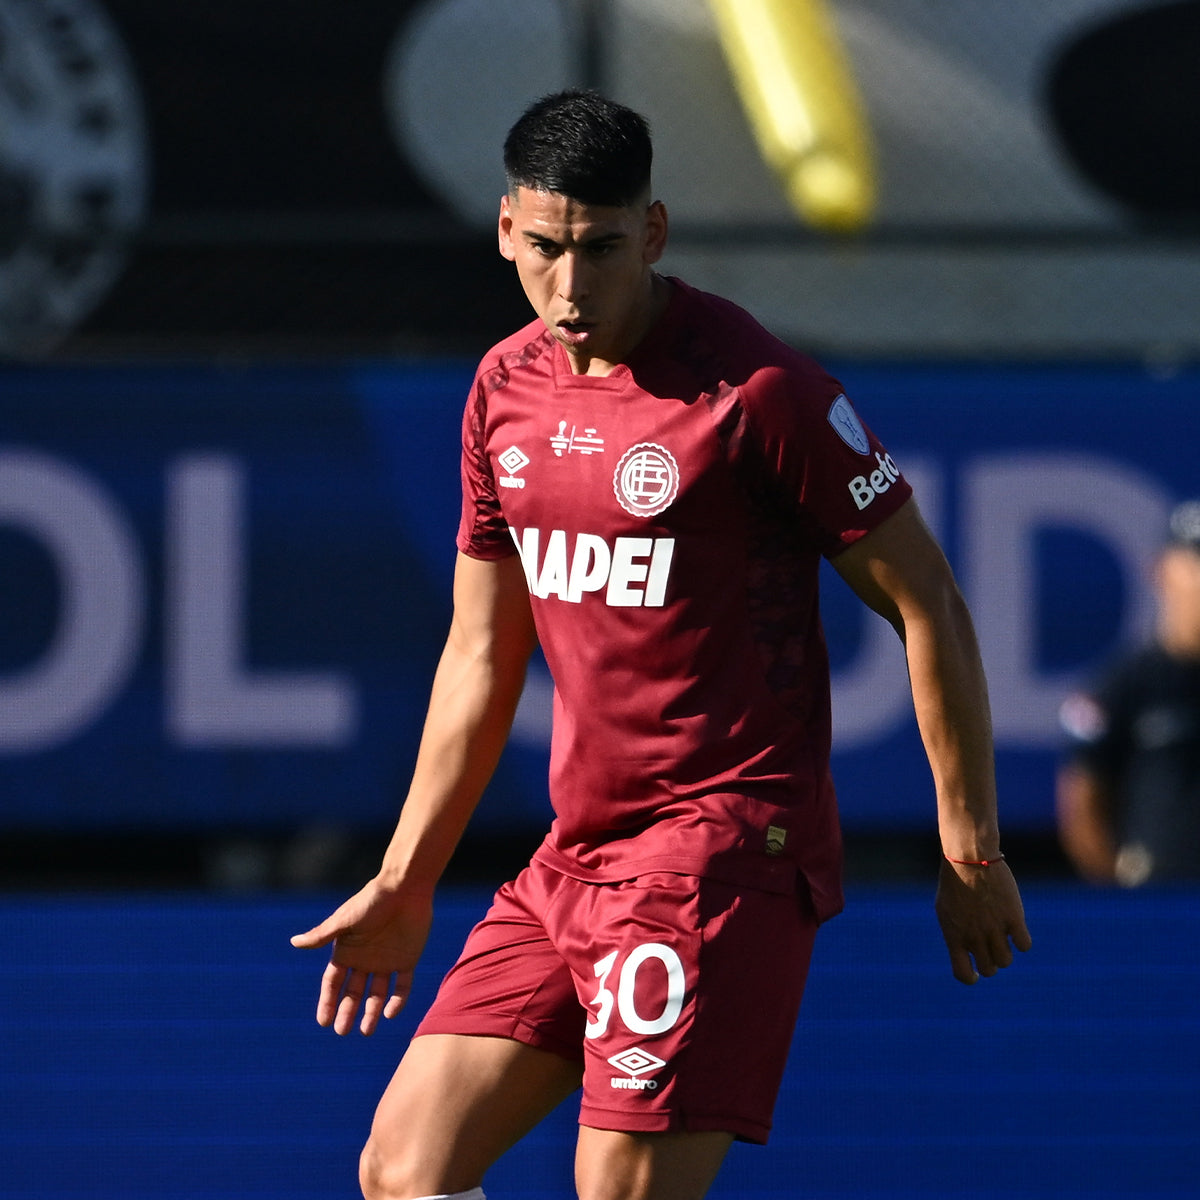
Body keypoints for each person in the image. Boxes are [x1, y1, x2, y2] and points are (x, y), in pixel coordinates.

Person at [292, 90, 1031, 1200]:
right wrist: (408, 880)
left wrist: (971, 847)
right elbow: (481, 656)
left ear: (654, 232)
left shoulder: (761, 392)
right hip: (573, 855)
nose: (571, 286)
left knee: (620, 1189)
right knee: (404, 1169)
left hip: (719, 851)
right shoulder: (504, 388)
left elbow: (929, 600)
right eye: (545, 249)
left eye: (599, 249)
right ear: (505, 230)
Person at [1056, 499, 1200, 886]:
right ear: (1161, 571)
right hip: (1159, 901)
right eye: (1196, 563)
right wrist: (1124, 898)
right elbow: (1082, 804)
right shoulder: (1126, 686)